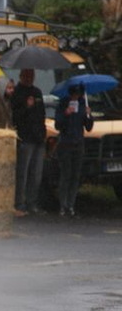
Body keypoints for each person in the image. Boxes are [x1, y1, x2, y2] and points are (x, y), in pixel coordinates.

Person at [11, 68, 47, 216]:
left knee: (36, 174)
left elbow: (42, 113)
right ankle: (20, 202)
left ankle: (32, 202)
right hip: (25, 137)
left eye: (31, 76)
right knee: (23, 173)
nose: (29, 78)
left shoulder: (37, 92)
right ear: (21, 76)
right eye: (26, 76)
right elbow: (15, 116)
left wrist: (43, 132)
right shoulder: (17, 93)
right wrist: (27, 107)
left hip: (38, 137)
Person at [54, 84, 94, 217]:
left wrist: (89, 115)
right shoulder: (63, 104)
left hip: (78, 143)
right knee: (66, 174)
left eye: (78, 95)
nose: (76, 97)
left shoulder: (83, 105)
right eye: (74, 95)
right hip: (65, 143)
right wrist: (66, 113)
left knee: (75, 176)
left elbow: (88, 127)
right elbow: (57, 125)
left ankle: (71, 204)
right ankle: (62, 204)